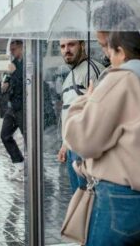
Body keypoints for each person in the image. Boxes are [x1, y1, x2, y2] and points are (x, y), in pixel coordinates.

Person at [63, 30, 140, 245]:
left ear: (121, 51)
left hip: (123, 201)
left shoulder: (121, 80)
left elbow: (83, 141)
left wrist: (85, 101)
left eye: (110, 50)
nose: (109, 57)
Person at [56, 39, 105, 194]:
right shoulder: (70, 75)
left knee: (90, 199)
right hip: (72, 148)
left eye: (71, 45)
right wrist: (65, 144)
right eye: (62, 46)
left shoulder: (93, 70)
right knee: (79, 200)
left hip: (85, 149)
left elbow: (101, 110)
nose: (66, 50)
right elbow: (67, 111)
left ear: (82, 45)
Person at [0, 40, 25, 181]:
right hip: (12, 106)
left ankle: (36, 168)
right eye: (11, 50)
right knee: (5, 135)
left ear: (22, 47)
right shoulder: (13, 63)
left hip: (23, 106)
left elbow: (27, 82)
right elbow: (8, 81)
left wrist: (14, 72)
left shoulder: (27, 62)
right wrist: (5, 83)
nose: (12, 52)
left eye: (14, 49)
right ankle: (19, 164)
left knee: (28, 137)